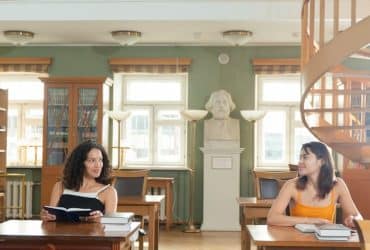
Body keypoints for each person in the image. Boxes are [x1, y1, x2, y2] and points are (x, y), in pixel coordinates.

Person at [267, 141, 362, 228]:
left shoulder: (338, 185)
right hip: (297, 242)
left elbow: (358, 217)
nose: (299, 162)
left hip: (326, 243)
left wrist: (354, 220)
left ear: (322, 161)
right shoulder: (291, 185)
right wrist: (310, 221)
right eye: (300, 158)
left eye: (305, 157)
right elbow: (272, 218)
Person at [40, 140, 117, 222]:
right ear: (79, 164)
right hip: (61, 234)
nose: (98, 165)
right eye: (92, 160)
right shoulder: (59, 186)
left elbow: (111, 226)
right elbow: (50, 219)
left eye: (100, 160)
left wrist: (102, 220)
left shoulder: (109, 192)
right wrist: (46, 217)